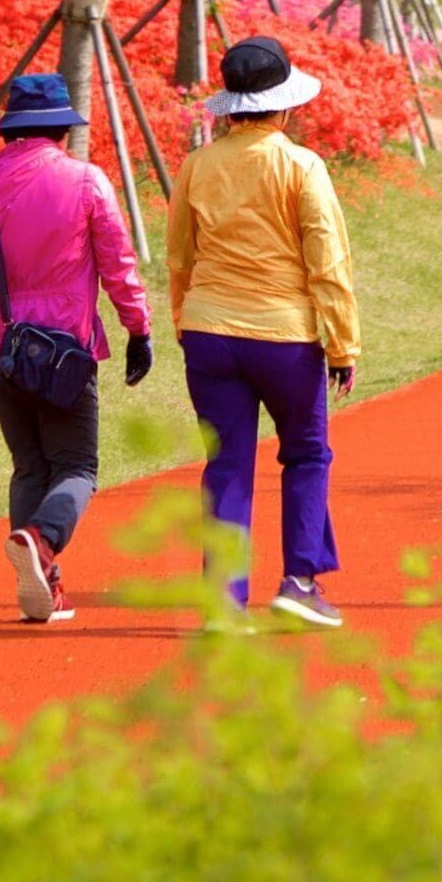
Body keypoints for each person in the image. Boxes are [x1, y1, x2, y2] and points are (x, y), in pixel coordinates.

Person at [0, 73, 152, 624]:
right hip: (65, 352)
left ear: (11, 132)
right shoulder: (86, 181)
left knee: (29, 465)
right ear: (61, 129)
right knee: (77, 467)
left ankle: (43, 586)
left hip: (1, 353)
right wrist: (138, 330)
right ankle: (42, 538)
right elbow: (118, 267)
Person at [166, 34, 360, 628]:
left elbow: (179, 256)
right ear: (282, 105)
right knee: (305, 453)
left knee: (225, 463)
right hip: (285, 335)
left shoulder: (197, 165)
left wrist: (184, 323)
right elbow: (327, 261)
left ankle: (224, 600)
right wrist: (342, 341)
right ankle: (299, 580)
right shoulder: (301, 165)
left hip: (208, 331)